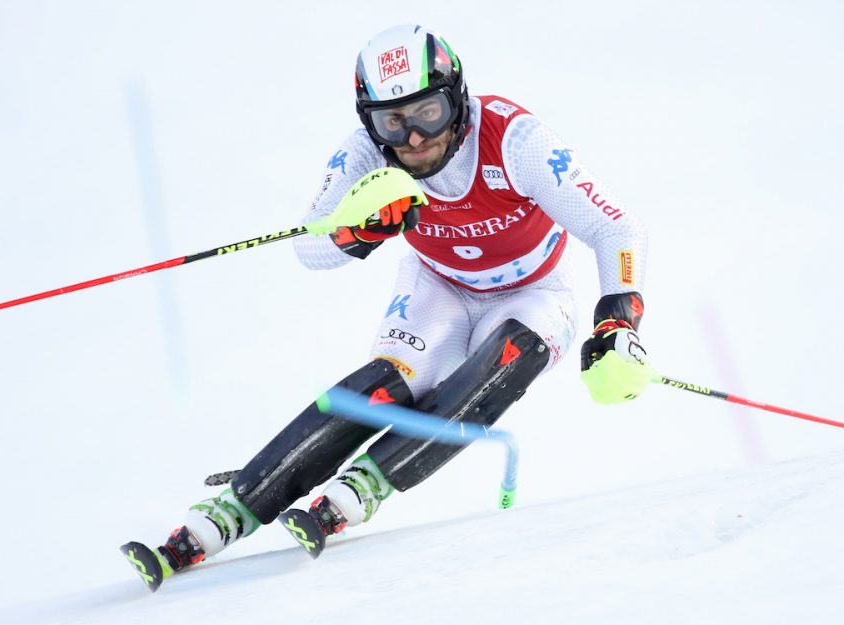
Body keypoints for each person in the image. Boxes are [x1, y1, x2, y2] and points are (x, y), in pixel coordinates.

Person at [122, 24, 651, 590]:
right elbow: (307, 247)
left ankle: (364, 488)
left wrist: (619, 318)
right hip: (438, 286)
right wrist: (356, 232)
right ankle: (225, 514)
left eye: (427, 111)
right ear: (368, 119)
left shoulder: (516, 140)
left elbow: (615, 227)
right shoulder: (364, 155)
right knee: (390, 384)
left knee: (506, 357)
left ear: (458, 97)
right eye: (391, 121)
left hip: (534, 292)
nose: (415, 138)